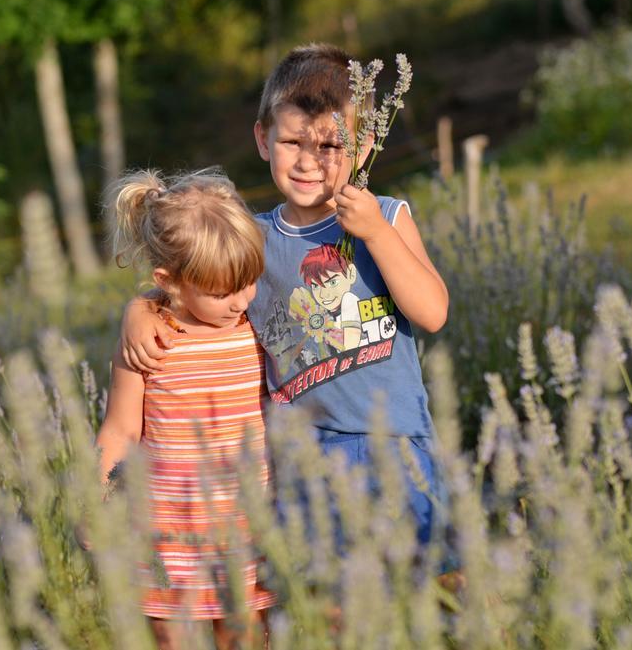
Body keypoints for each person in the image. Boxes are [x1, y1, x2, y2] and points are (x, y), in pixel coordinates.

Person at [120, 43, 452, 563]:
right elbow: (193, 287)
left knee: (423, 588)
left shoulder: (384, 216)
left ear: (363, 148)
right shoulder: (253, 237)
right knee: (333, 604)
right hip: (301, 457)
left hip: (393, 442)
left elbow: (432, 311)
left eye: (329, 146)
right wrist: (140, 309)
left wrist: (376, 235)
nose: (309, 161)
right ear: (262, 139)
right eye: (293, 140)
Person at [94, 168, 276, 650]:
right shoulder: (149, 343)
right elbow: (119, 431)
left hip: (245, 523)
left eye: (250, 282)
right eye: (222, 292)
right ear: (168, 282)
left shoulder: (255, 324)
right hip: (166, 527)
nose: (241, 300)